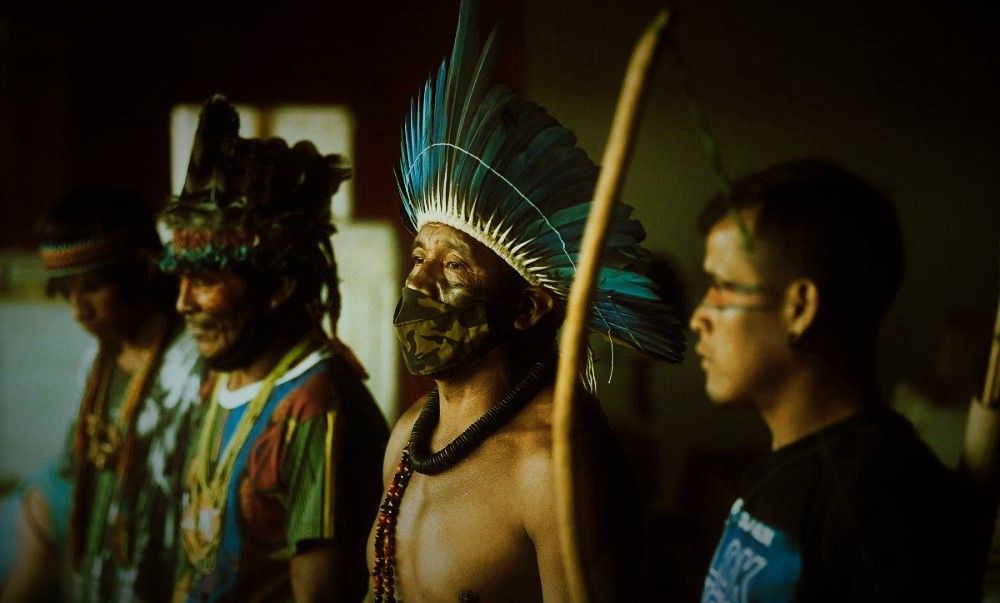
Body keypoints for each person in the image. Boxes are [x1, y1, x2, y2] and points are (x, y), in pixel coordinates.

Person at [365, 3, 686, 601]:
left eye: (454, 264)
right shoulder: (410, 434)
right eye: (418, 257)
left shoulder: (552, 465)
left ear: (528, 306)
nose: (418, 284)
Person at [690, 158, 980, 602]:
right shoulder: (783, 468)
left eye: (723, 287)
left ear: (800, 308)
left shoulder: (886, 500)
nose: (698, 319)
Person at [162, 95, 389, 602]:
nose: (182, 303)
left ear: (279, 286)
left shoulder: (316, 408)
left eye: (205, 281)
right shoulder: (221, 374)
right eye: (180, 279)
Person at [0, 186, 203, 603]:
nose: (78, 309)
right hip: (100, 551)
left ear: (143, 269)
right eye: (66, 292)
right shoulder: (99, 358)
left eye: (91, 289)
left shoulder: (188, 364)